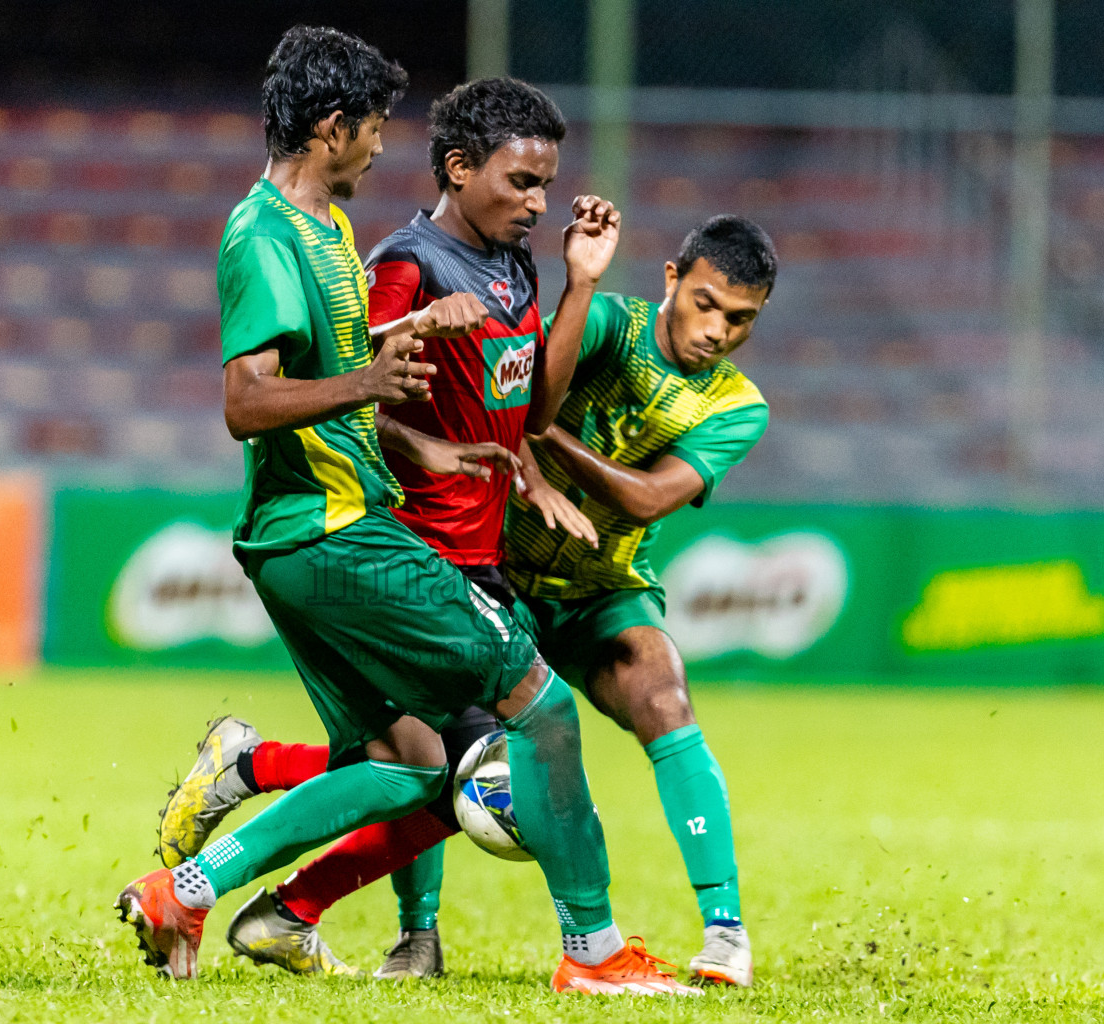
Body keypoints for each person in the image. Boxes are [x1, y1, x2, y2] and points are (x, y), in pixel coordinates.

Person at [115, 26, 697, 997]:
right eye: (373, 127)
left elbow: (344, 372)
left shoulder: (324, 230)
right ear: (333, 126)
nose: (383, 146)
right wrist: (382, 377)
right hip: (337, 534)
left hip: (306, 537)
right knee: (544, 705)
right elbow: (246, 401)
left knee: (406, 765)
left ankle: (188, 889)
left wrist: (417, 409)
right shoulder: (261, 235)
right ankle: (594, 952)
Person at [164, 214, 776, 988]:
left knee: (663, 699)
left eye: (741, 320)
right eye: (707, 303)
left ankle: (724, 935)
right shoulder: (607, 326)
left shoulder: (736, 404)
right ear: (672, 282)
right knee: (453, 774)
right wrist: (572, 312)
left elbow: (648, 494)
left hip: (602, 589)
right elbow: (522, 395)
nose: (717, 330)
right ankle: (336, 911)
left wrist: (545, 445)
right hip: (495, 574)